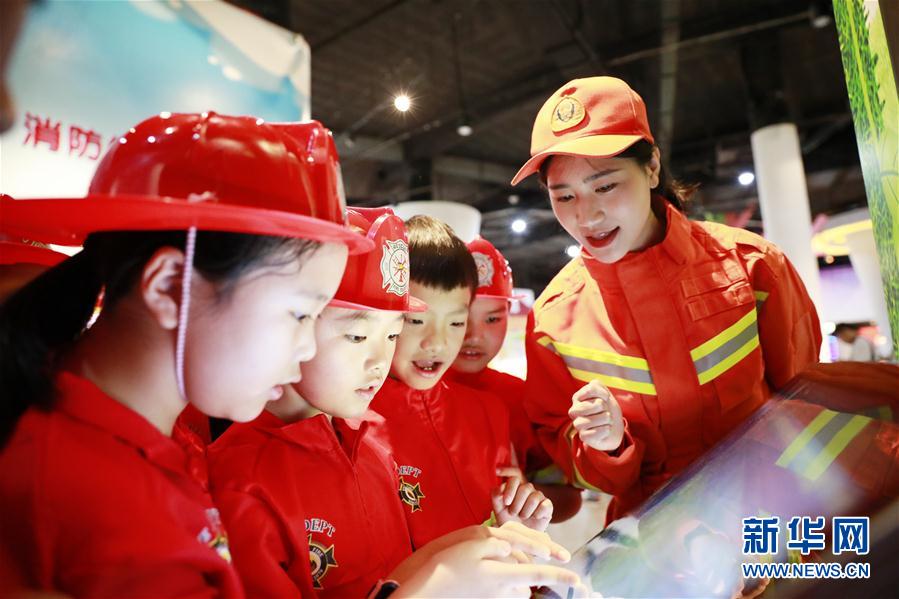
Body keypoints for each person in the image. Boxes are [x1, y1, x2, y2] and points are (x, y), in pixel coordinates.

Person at [0, 112, 369, 597]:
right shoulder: (92, 499)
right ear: (171, 286)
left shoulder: (137, 440)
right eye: (301, 314)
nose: (308, 347)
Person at [512, 76, 822, 524]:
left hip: (774, 515)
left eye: (604, 186)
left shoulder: (751, 266)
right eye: (564, 196)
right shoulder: (552, 320)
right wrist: (606, 445)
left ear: (652, 167)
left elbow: (807, 397)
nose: (587, 215)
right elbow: (569, 455)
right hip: (656, 545)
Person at [207, 208, 423, 597]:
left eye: (392, 336)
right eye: (357, 337)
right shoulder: (241, 480)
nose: (379, 363)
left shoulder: (374, 442)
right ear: (297, 321)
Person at [370, 215, 553, 549]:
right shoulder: (350, 428)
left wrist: (517, 527)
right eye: (415, 320)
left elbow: (505, 525)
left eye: (455, 323)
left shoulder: (489, 413)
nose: (436, 342)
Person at [447, 236, 583, 522]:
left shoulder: (521, 398)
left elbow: (569, 498)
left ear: (509, 316)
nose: (474, 335)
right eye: (459, 320)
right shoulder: (402, 390)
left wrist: (526, 493)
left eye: (492, 319)